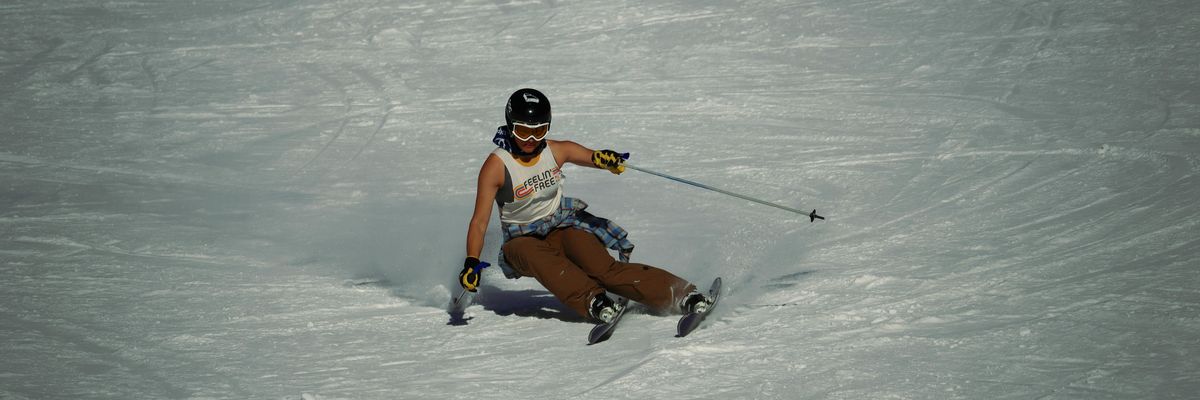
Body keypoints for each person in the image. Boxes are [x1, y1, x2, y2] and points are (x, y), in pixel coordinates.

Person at [460, 88, 713, 323]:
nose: (531, 139)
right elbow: (479, 222)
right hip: (521, 241)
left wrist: (607, 160)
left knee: (603, 268)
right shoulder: (496, 166)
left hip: (560, 226)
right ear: (510, 126)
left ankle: (682, 295)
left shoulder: (556, 150)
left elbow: (591, 156)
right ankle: (594, 301)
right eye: (523, 131)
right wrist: (471, 261)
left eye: (539, 131)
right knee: (542, 258)